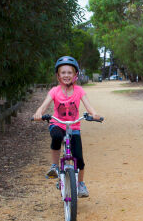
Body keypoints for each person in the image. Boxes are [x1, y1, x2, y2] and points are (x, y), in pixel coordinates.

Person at [33, 56, 101, 197]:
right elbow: (44, 105)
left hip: (74, 127)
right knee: (57, 136)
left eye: (69, 72)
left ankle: (81, 183)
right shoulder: (54, 91)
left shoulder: (79, 91)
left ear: (75, 75)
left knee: (79, 158)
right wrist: (39, 113)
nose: (66, 75)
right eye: (63, 72)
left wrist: (94, 114)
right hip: (57, 123)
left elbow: (88, 106)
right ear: (58, 75)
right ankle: (54, 166)